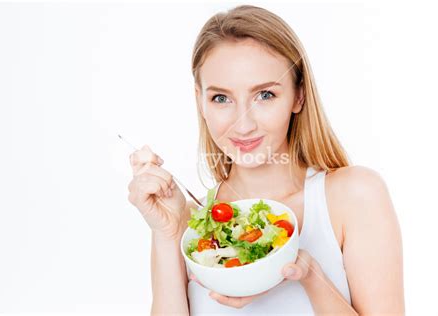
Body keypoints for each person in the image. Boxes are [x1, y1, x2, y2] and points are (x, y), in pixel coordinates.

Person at [128, 4, 404, 315]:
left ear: (298, 96)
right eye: (221, 98)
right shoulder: (190, 225)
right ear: (200, 101)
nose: (243, 124)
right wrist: (167, 235)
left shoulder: (354, 196)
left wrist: (308, 275)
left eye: (265, 95)